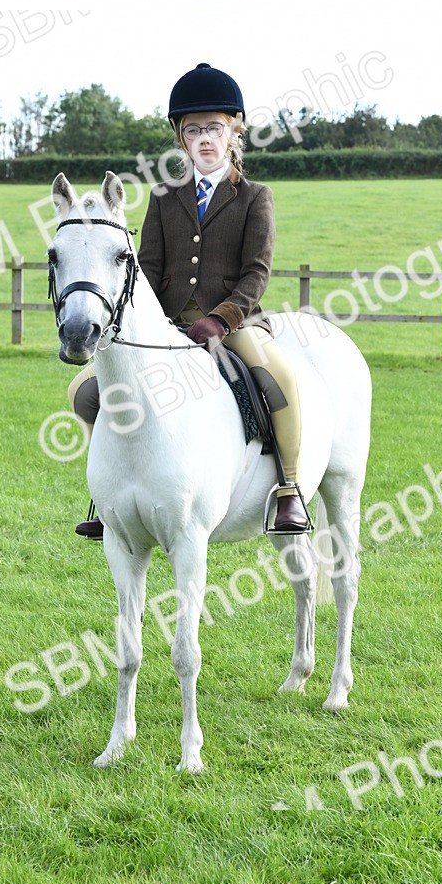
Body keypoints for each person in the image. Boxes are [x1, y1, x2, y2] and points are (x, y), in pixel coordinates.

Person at [68, 62, 307, 539]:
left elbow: (256, 272)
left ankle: (289, 490)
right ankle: (106, 494)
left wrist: (221, 320)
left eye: (214, 128)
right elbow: (148, 271)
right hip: (166, 328)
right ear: (181, 137)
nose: (204, 139)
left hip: (233, 327)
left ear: (234, 131)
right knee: (85, 390)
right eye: (193, 129)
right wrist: (141, 323)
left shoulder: (254, 197)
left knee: (275, 378)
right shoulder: (162, 197)